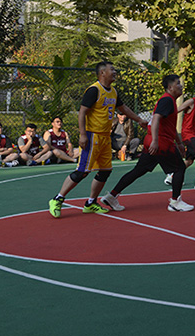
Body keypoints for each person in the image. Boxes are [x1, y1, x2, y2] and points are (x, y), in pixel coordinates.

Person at [47, 61, 146, 218]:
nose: (115, 71)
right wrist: (82, 134)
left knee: (105, 170)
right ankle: (57, 199)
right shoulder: (94, 90)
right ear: (102, 73)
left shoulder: (113, 91)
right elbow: (82, 112)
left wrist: (139, 119)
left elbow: (124, 108)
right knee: (82, 171)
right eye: (111, 69)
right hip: (92, 135)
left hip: (105, 137)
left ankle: (91, 203)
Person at [100, 74, 195, 213]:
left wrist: (179, 143)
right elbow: (155, 119)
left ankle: (112, 196)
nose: (181, 86)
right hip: (161, 142)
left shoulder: (169, 101)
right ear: (170, 87)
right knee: (179, 168)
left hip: (154, 141)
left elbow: (168, 125)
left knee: (139, 170)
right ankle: (175, 201)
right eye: (178, 84)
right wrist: (156, 141)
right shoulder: (167, 100)